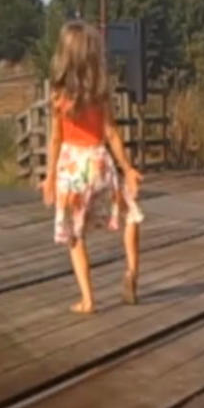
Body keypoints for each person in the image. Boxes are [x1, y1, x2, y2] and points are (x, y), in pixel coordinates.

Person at [41, 21, 145, 312]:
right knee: (130, 215)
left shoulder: (58, 96)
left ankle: (88, 299)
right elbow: (111, 132)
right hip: (98, 161)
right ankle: (131, 271)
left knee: (75, 235)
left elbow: (55, 140)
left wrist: (49, 178)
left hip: (72, 167)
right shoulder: (100, 93)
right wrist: (128, 168)